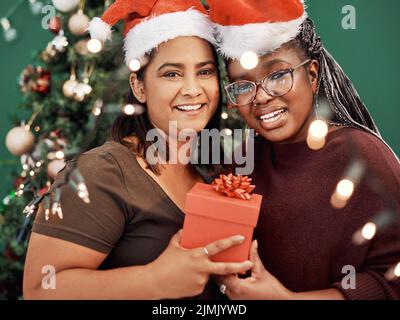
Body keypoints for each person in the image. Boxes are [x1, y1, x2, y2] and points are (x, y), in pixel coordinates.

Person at [23, 0, 253, 300]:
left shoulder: (214, 172)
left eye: (205, 72)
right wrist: (154, 280)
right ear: (139, 86)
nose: (193, 89)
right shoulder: (102, 172)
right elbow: (40, 289)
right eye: (172, 74)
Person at [208, 0, 400, 299]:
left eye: (277, 75)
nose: (261, 98)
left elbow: (393, 279)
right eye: (243, 86)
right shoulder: (244, 163)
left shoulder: (362, 155)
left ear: (312, 75)